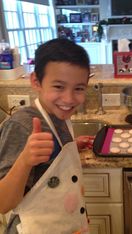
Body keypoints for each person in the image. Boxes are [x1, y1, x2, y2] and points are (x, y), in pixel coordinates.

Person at [0, 38, 94, 233]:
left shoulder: (59, 115)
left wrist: (72, 145)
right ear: (36, 81)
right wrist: (25, 160)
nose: (68, 99)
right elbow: (2, 203)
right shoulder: (22, 125)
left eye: (78, 88)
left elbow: (48, 163)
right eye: (58, 87)